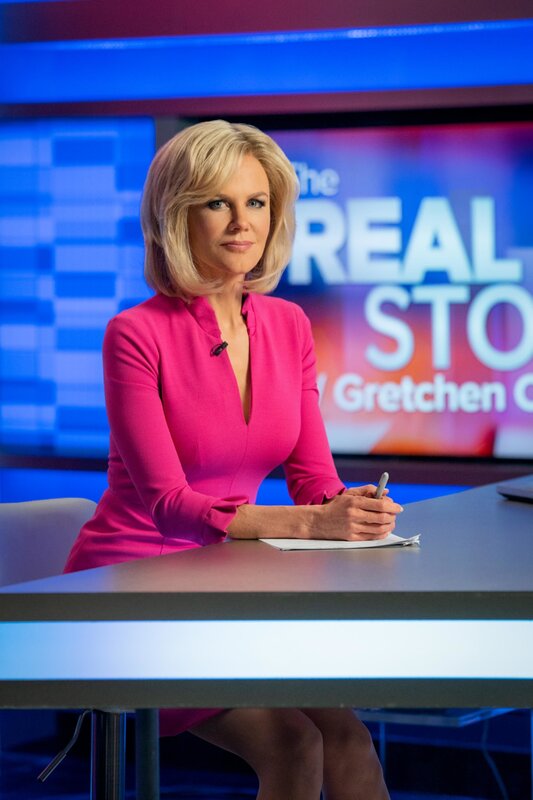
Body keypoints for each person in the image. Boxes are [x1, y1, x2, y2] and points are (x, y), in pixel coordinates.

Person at [64, 119, 402, 799]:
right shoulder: (133, 334)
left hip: (225, 580)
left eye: (256, 202)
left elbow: (312, 478)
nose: (242, 223)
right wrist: (308, 525)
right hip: (131, 585)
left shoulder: (289, 325)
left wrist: (347, 507)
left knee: (347, 740)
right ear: (176, 216)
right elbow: (168, 505)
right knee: (295, 744)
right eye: (217, 202)